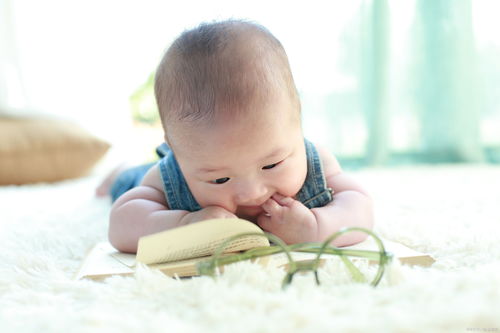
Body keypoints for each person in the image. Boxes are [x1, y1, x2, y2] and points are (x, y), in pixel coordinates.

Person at [102, 19, 373, 253]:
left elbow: (361, 208)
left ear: (297, 124)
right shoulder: (169, 175)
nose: (251, 193)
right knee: (130, 180)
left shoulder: (317, 163)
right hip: (146, 176)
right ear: (177, 151)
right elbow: (121, 226)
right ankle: (120, 171)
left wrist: (316, 227)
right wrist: (184, 225)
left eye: (271, 164)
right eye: (219, 179)